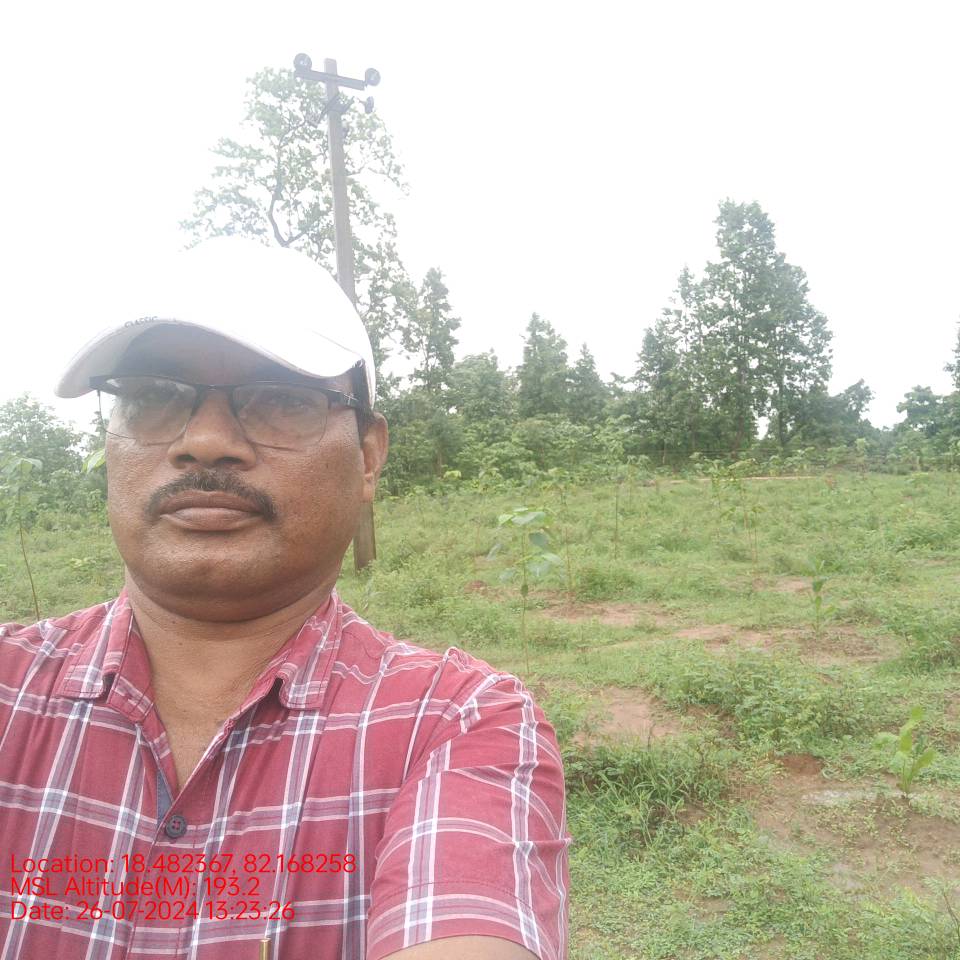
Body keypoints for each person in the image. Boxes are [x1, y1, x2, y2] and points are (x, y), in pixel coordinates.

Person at [0, 239, 569, 960]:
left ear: (368, 456)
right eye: (152, 396)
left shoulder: (458, 723)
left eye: (279, 399)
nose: (206, 441)